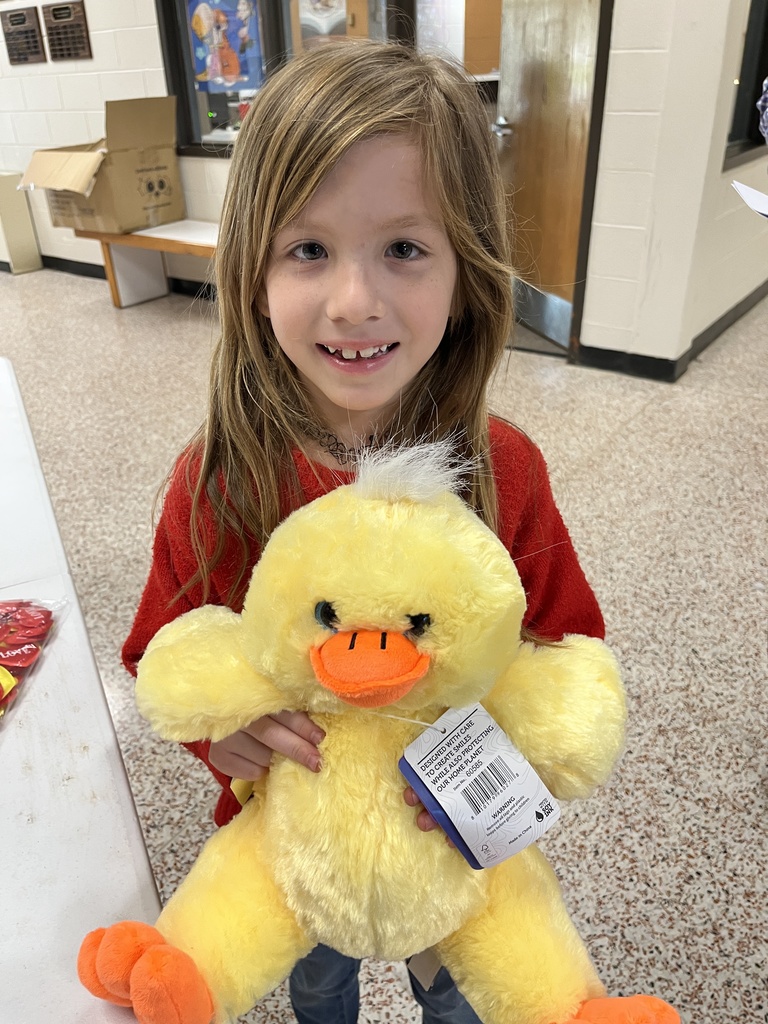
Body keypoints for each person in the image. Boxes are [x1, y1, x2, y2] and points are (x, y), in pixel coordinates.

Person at [122, 40, 604, 1024]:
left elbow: (565, 655)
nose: (354, 301)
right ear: (252, 265)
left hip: (458, 851)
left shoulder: (504, 470)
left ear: (466, 268)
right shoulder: (221, 480)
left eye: (404, 248)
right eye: (309, 249)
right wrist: (233, 734)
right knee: (319, 983)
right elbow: (160, 655)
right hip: (298, 846)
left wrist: (503, 775)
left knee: (464, 1000)